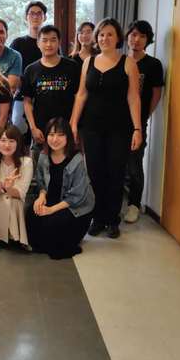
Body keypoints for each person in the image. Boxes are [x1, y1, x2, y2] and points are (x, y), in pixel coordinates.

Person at [70, 18, 143, 239]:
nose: (105, 38)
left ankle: (112, 219)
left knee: (115, 173)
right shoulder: (88, 62)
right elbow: (81, 95)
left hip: (119, 128)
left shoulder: (128, 62)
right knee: (95, 172)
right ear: (96, 38)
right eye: (101, 34)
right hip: (91, 127)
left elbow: (133, 98)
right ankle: (98, 217)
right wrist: (73, 122)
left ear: (118, 37)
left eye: (110, 34)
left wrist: (137, 129)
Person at [28, 118, 94, 260]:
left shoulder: (77, 159)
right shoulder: (44, 156)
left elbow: (77, 196)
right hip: (53, 199)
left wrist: (51, 210)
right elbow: (41, 182)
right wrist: (41, 197)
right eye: (51, 135)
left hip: (75, 207)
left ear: (68, 137)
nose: (55, 139)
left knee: (55, 222)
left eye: (60, 135)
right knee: (32, 215)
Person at [124, 20, 165, 223]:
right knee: (116, 165)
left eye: (141, 36)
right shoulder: (120, 61)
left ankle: (134, 205)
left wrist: (145, 116)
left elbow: (156, 94)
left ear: (147, 40)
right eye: (133, 34)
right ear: (127, 37)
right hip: (116, 121)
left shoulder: (153, 65)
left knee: (134, 164)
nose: (136, 39)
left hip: (137, 123)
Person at [21, 25, 81, 159]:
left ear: (59, 42)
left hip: (66, 128)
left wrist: (73, 123)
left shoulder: (72, 66)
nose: (49, 44)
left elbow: (78, 97)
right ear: (38, 43)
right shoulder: (31, 70)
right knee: (39, 168)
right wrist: (33, 128)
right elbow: (27, 101)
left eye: (53, 40)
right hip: (41, 130)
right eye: (44, 40)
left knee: (67, 167)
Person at [0, 124, 33, 249]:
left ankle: (14, 237)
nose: (7, 145)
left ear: (18, 143)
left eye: (11, 141)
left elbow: (21, 193)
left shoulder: (26, 162)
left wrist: (8, 188)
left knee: (13, 202)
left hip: (15, 197)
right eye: (3, 140)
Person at [10, 1, 48, 137]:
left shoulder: (49, 44)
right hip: (22, 93)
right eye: (32, 13)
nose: (35, 16)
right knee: (17, 127)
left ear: (44, 17)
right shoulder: (18, 43)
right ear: (26, 17)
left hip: (44, 94)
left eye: (39, 14)